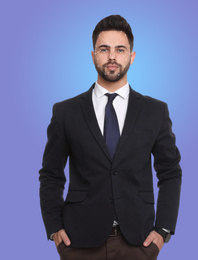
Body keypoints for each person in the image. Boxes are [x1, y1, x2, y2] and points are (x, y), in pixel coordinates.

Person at [39, 14, 182, 260]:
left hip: (139, 241)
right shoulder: (65, 112)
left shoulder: (155, 111)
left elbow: (170, 171)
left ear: (132, 56)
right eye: (104, 49)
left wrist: (163, 230)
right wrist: (54, 227)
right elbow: (51, 174)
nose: (112, 56)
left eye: (120, 49)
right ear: (93, 55)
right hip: (79, 241)